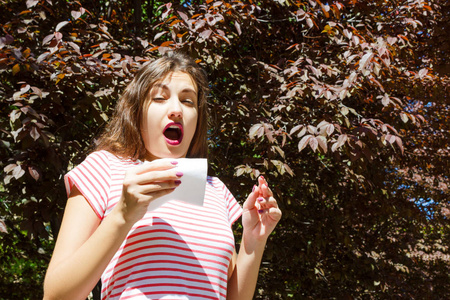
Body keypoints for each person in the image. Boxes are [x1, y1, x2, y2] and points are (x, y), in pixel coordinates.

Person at [43, 52, 282, 300]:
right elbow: (56, 295)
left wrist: (254, 241)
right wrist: (122, 215)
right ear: (137, 111)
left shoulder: (215, 189)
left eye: (188, 102)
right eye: (160, 98)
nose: (177, 110)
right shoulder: (104, 168)